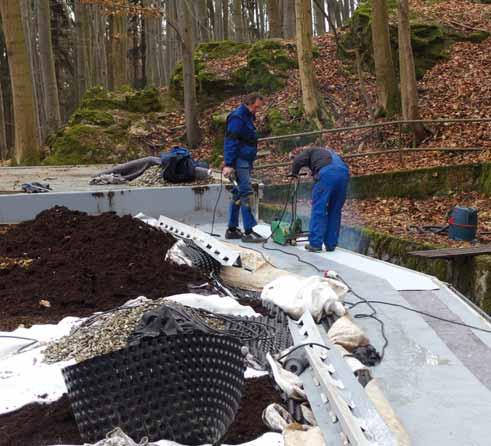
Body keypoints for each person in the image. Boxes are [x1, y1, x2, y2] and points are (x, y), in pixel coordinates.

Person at [222, 93, 266, 243]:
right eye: (256, 107)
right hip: (240, 161)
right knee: (245, 193)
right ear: (249, 103)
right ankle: (249, 231)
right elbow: (230, 140)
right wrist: (228, 164)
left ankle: (232, 229)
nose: (257, 110)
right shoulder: (237, 117)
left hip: (246, 159)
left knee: (237, 194)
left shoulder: (247, 116)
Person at [290, 146, 350, 252]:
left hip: (327, 174)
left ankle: (315, 243)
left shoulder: (309, 151)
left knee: (319, 209)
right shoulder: (329, 153)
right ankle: (331, 244)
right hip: (344, 173)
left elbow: (298, 160)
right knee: (335, 210)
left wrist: (294, 173)